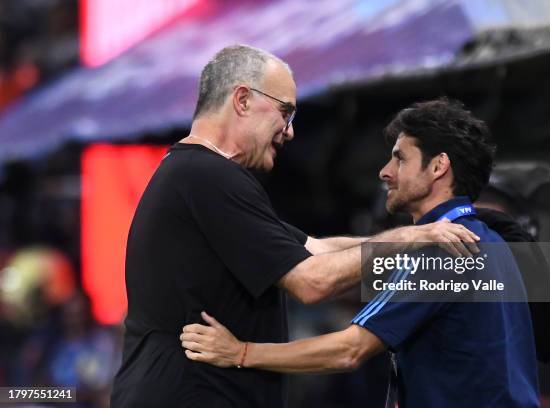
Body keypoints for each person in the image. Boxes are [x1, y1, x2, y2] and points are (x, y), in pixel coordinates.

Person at [110, 45, 479, 408]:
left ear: (439, 168)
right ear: (242, 100)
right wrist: (413, 237)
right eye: (285, 112)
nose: (289, 132)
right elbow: (314, 283)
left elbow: (316, 249)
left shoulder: (192, 174)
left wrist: (419, 238)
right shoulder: (208, 176)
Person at [180, 98, 540, 407]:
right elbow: (321, 250)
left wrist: (240, 352)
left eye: (400, 159)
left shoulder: (441, 251)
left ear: (437, 167)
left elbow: (349, 351)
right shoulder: (494, 242)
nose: (385, 172)